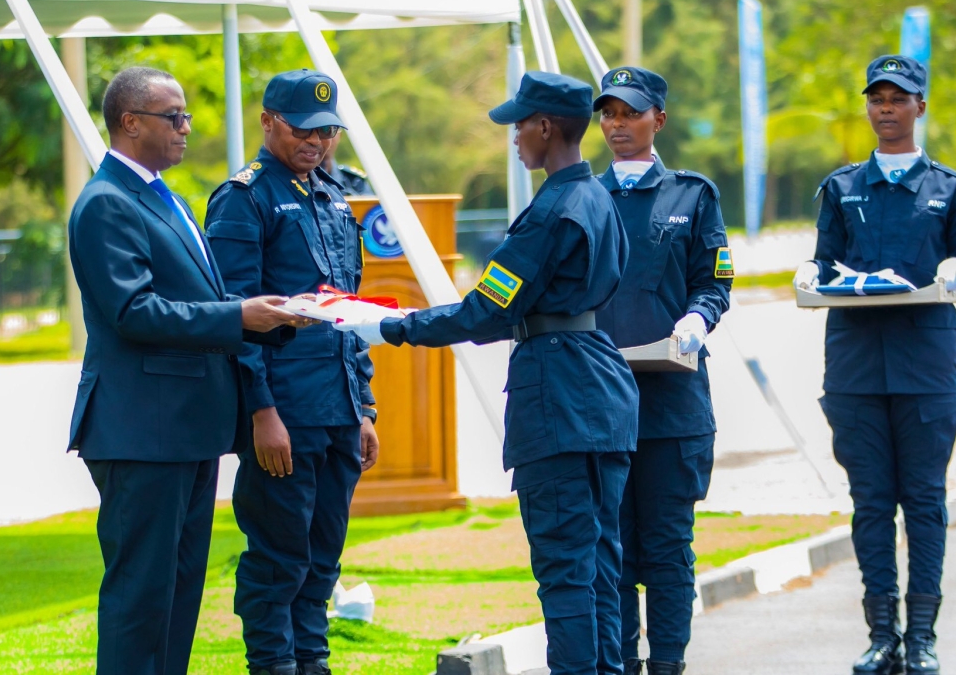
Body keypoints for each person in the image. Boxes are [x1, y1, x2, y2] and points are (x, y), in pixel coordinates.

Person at [349, 70, 639, 675]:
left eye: (518, 125)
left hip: (557, 397)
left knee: (565, 572)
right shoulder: (601, 200)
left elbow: (485, 310)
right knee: (602, 567)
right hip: (602, 390)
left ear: (544, 126)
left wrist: (388, 327)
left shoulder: (552, 210)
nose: (512, 138)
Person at [66, 66, 305, 675]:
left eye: (187, 116)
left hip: (185, 431)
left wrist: (267, 316)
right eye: (173, 117)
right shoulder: (106, 202)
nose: (186, 128)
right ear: (130, 123)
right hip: (143, 431)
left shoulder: (162, 194)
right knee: (140, 600)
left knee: (176, 598)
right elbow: (133, 311)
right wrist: (238, 317)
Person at [794, 55, 956, 675]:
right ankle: (882, 633)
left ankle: (923, 633)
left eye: (898, 98)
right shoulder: (843, 186)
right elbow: (824, 260)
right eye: (876, 98)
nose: (886, 108)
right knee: (871, 502)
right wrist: (809, 273)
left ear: (919, 107)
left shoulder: (952, 189)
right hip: (854, 367)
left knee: (924, 501)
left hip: (925, 366)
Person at [204, 69, 380, 675]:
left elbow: (348, 314)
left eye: (328, 131)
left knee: (323, 558)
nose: (317, 142)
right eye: (304, 129)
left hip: (337, 410)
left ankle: (314, 664)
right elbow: (235, 319)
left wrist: (364, 408)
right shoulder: (244, 198)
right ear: (268, 121)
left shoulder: (331, 196)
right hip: (283, 411)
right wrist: (262, 412)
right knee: (279, 560)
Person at [590, 67, 732, 675]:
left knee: (669, 549)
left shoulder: (692, 195)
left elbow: (715, 280)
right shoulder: (583, 196)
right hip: (599, 400)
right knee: (611, 551)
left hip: (673, 403)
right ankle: (619, 663)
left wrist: (697, 321)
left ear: (658, 120)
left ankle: (668, 663)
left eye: (630, 113)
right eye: (609, 114)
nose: (618, 125)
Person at [320, 131, 374, 196]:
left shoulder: (355, 182)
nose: (327, 138)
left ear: (339, 135)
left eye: (333, 129)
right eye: (323, 130)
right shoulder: (305, 180)